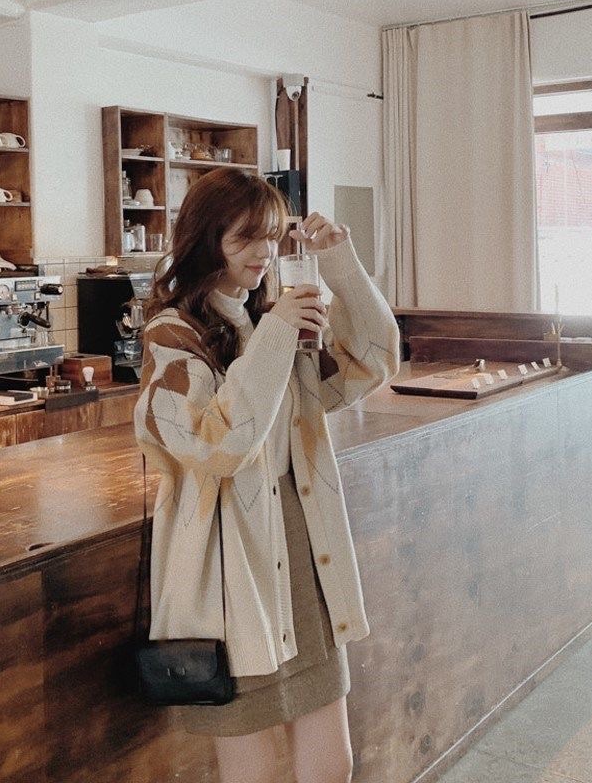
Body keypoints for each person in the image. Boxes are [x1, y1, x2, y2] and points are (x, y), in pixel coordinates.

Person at [134, 167, 400, 783]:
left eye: (272, 236)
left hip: (303, 546)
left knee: (331, 762)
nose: (264, 252)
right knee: (251, 766)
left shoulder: (268, 321)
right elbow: (219, 447)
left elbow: (373, 362)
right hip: (231, 564)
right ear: (207, 239)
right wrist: (277, 332)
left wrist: (340, 265)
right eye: (246, 237)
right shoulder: (172, 336)